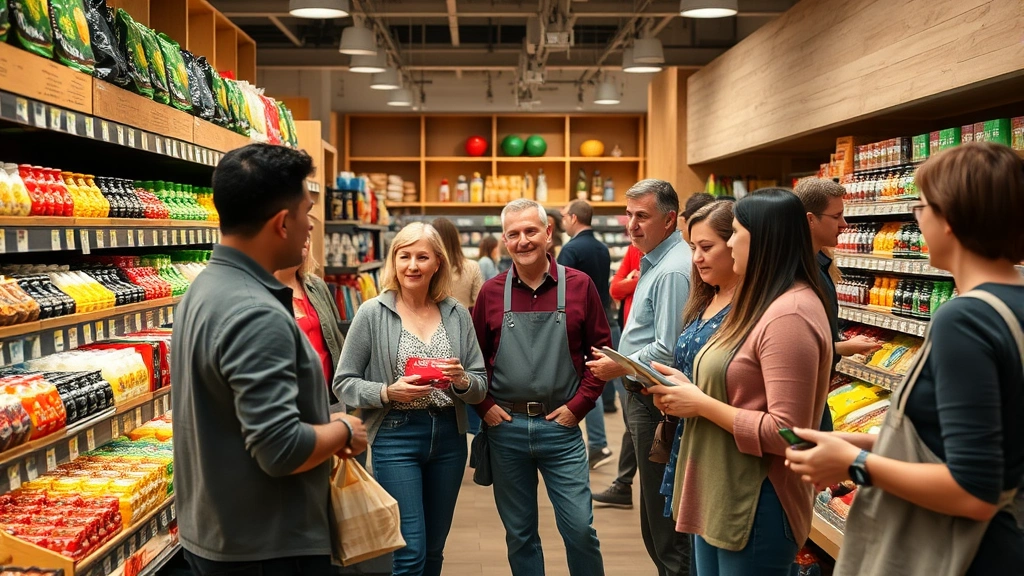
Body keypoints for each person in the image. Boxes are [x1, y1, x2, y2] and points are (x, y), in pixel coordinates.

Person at [787, 142, 1024, 576]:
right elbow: (985, 442)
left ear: (950, 219)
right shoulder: (1013, 306)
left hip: (963, 555)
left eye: (921, 205)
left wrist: (854, 465)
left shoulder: (966, 318)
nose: (916, 218)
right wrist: (862, 442)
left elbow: (974, 489)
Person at [171, 143, 368, 576]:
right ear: (282, 224)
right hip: (268, 547)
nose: (309, 227)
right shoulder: (257, 312)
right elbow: (280, 449)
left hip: (217, 533)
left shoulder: (202, 290)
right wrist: (343, 429)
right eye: (306, 213)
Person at [646, 188, 832, 576]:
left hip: (756, 497)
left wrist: (701, 404)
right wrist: (690, 388)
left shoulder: (789, 314)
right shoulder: (760, 301)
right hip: (724, 489)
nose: (729, 244)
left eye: (734, 232)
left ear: (762, 239)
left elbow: (789, 431)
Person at [334, 222, 488, 576]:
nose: (412, 266)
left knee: (434, 548)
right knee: (410, 550)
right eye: (404, 256)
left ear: (438, 263)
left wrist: (462, 380)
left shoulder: (456, 314)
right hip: (395, 434)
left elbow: (479, 383)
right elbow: (343, 383)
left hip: (449, 436)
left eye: (422, 257)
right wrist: (388, 391)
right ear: (394, 261)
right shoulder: (373, 312)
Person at [472, 198, 610, 576]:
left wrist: (580, 405)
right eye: (513, 234)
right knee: (519, 534)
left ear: (549, 233)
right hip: (506, 430)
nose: (523, 241)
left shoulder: (580, 286)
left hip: (561, 429)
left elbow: (601, 355)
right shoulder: (490, 293)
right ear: (504, 240)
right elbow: (475, 361)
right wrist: (484, 407)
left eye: (531, 231)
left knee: (580, 529)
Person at [587, 179, 693, 576]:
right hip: (643, 398)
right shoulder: (654, 262)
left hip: (654, 403)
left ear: (669, 220)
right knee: (653, 520)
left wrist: (621, 364)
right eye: (628, 215)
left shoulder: (671, 271)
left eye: (642, 216)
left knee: (664, 529)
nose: (631, 225)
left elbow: (667, 348)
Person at [659, 201, 738, 526]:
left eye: (706, 247)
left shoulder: (752, 310)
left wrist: (697, 399)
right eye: (693, 247)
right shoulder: (704, 297)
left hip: (726, 453)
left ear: (737, 244)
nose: (696, 258)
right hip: (690, 441)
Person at [558, 199, 615, 470]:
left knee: (583, 382)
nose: (561, 222)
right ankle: (599, 443)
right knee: (596, 379)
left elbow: (559, 291)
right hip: (604, 318)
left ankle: (592, 443)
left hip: (576, 326)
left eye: (563, 217)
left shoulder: (570, 249)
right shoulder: (602, 248)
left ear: (573, 218)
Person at [593, 242, 644, 509]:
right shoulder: (634, 250)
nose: (634, 225)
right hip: (628, 344)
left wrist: (632, 280)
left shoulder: (669, 265)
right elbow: (615, 288)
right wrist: (631, 280)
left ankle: (624, 484)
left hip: (644, 358)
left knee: (635, 422)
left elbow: (622, 286)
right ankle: (623, 484)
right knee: (631, 420)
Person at [273, 235, 346, 402]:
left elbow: (336, 341)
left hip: (329, 398)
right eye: (299, 234)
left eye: (307, 236)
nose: (304, 240)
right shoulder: (261, 291)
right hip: (291, 403)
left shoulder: (317, 286)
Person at [432, 217, 484, 309]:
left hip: (430, 322)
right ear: (456, 239)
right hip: (463, 321)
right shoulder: (472, 267)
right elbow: (479, 302)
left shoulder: (428, 267)